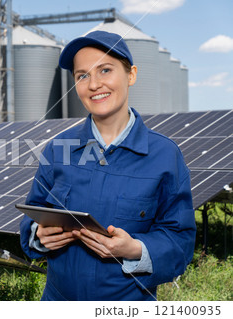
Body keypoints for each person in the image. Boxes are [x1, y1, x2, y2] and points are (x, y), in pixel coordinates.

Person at [19, 30, 196, 301]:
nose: (93, 85)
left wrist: (136, 249)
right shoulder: (58, 148)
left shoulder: (164, 155)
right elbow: (34, 216)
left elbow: (180, 242)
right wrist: (38, 235)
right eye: (82, 76)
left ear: (131, 75)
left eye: (105, 70)